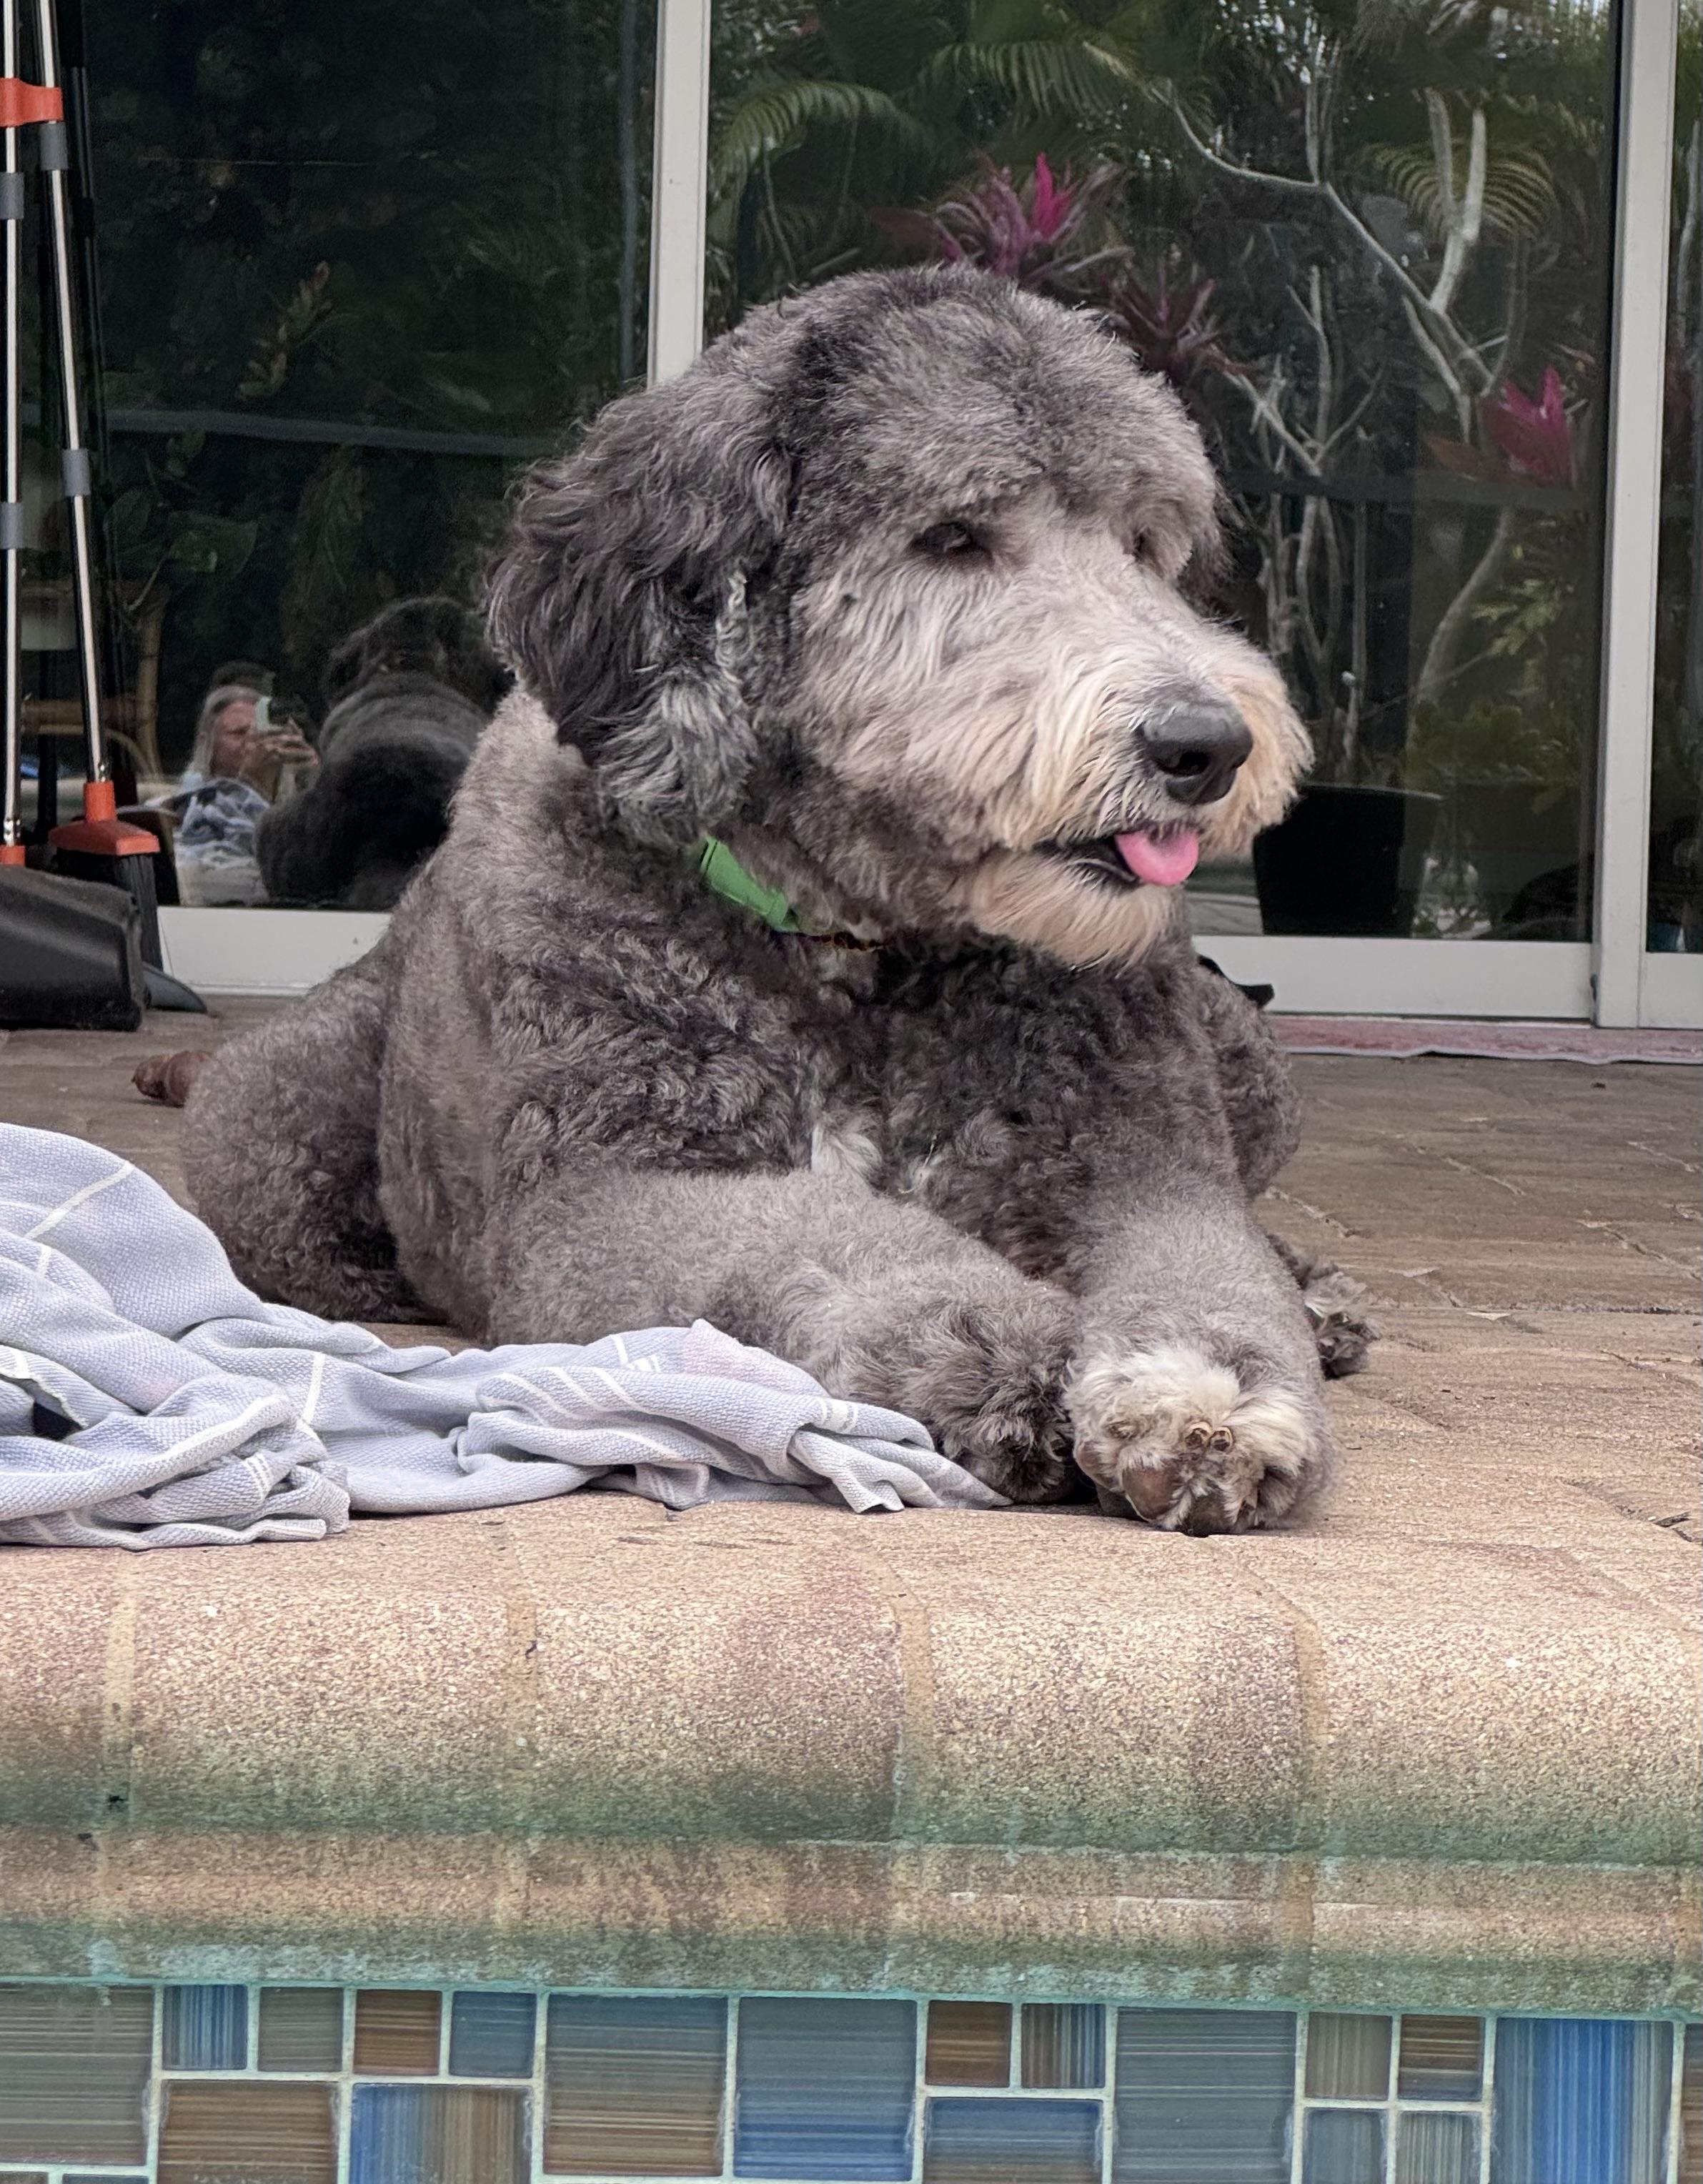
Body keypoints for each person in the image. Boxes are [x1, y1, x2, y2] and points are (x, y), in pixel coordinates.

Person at [167, 680, 318, 905]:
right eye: (238, 733)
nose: (253, 741)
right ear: (207, 744)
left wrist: (315, 778)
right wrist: (249, 787)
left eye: (259, 732)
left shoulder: (297, 805)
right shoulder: (188, 807)